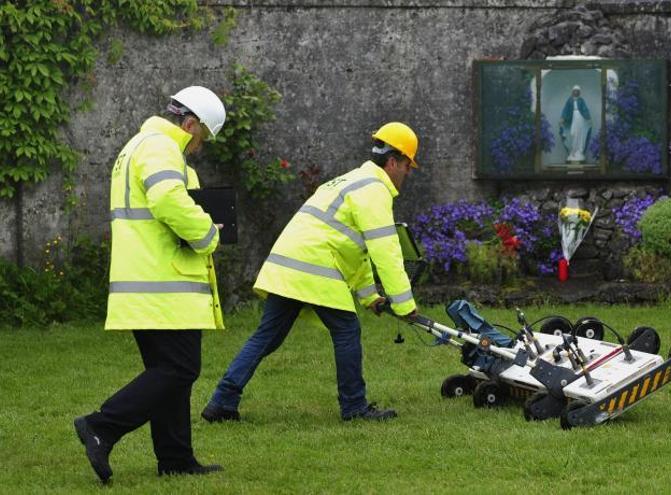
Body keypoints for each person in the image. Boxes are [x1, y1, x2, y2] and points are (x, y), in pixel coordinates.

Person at [201, 122, 419, 423]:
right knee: (346, 331)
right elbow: (385, 251)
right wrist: (406, 305)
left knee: (266, 336)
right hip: (315, 268)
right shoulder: (374, 190)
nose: (408, 174)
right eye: (408, 166)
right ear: (393, 161)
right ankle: (354, 407)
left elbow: (355, 250)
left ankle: (222, 402)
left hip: (288, 265)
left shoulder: (349, 181)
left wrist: (370, 297)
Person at [73, 86, 227, 484]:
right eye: (202, 138)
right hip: (165, 282)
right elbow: (167, 200)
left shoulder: (139, 145)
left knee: (168, 370)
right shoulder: (160, 147)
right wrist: (208, 234)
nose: (199, 148)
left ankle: (175, 458)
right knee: (179, 369)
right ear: (190, 124)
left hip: (147, 283)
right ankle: (101, 426)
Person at [560, 85, 592, 162]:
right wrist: (562, 118)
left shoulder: (581, 100)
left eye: (577, 91)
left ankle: (579, 151)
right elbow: (566, 109)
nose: (576, 92)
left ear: (579, 92)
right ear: (572, 92)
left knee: (580, 133)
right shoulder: (569, 100)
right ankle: (573, 151)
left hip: (580, 118)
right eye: (574, 91)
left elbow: (585, 109)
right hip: (573, 117)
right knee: (573, 134)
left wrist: (588, 118)